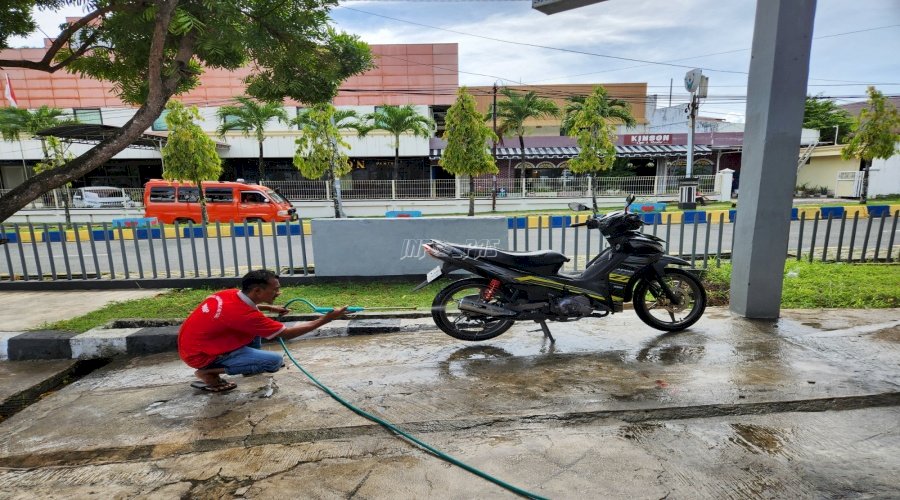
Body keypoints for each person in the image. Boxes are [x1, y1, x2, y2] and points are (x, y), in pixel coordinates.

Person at [178, 269, 348, 392]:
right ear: (257, 291)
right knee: (274, 361)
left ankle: (245, 365)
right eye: (275, 289)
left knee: (256, 330)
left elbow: (242, 310)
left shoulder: (228, 294)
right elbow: (287, 334)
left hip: (195, 345)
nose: (278, 292)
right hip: (201, 356)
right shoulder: (245, 316)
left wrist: (270, 308)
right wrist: (327, 319)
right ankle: (208, 373)